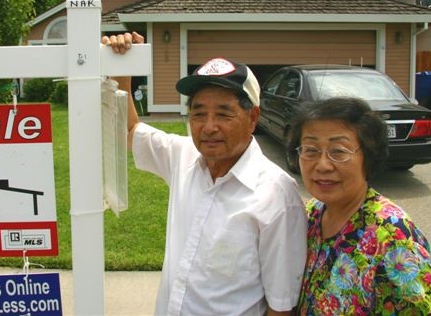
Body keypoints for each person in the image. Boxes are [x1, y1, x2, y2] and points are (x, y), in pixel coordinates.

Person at [103, 31, 307, 316]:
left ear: (253, 118)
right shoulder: (183, 155)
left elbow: (281, 306)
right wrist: (122, 73)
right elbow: (130, 131)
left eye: (224, 114)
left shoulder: (277, 194)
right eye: (198, 114)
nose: (209, 126)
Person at [286, 97, 431, 315]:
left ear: (368, 156)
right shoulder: (312, 212)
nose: (322, 165)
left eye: (338, 151)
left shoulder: (395, 240)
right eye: (310, 150)